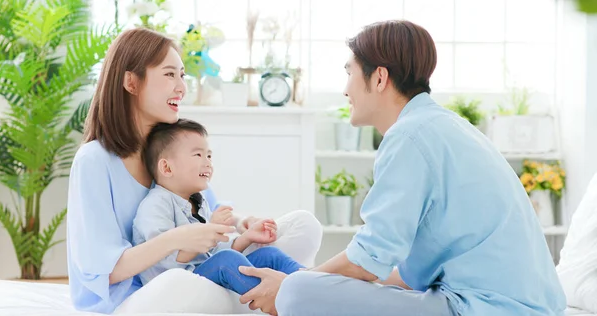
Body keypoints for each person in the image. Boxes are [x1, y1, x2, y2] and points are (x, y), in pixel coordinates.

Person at [236, 20, 567, 316]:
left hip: (483, 307)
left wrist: (292, 285)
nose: (345, 89)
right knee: (305, 284)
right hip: (518, 304)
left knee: (297, 290)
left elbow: (366, 261)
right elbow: (402, 275)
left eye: (349, 72)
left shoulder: (409, 136)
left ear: (379, 77)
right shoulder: (442, 125)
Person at [66, 27, 322, 314]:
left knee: (302, 225)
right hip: (138, 297)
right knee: (184, 281)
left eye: (182, 75)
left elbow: (207, 215)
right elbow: (104, 271)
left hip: (199, 273)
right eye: (169, 74)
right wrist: (178, 239)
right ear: (131, 82)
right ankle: (282, 298)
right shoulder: (95, 161)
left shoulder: (171, 149)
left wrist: (241, 223)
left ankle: (309, 290)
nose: (181, 87)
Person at [133, 118, 305, 294]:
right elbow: (164, 259)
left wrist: (247, 237)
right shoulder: (155, 206)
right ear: (167, 168)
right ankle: (279, 301)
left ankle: (312, 282)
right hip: (175, 284)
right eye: (198, 155)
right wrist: (209, 231)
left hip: (204, 273)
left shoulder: (198, 201)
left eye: (209, 156)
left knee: (269, 255)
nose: (207, 162)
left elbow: (213, 252)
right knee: (227, 260)